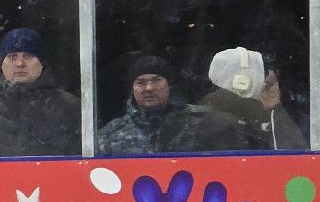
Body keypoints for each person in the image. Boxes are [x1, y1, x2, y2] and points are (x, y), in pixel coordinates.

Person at [0, 28, 80, 157]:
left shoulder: (69, 106)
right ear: (1, 64)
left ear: (42, 62)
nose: (20, 63)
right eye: (12, 57)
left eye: (28, 56)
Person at [95, 55, 239, 156]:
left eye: (156, 80)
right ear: (133, 89)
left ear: (169, 85)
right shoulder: (110, 135)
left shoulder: (204, 123)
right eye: (140, 82)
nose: (149, 88)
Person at [196, 47, 272, 150]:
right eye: (267, 84)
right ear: (243, 83)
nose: (263, 86)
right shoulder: (225, 123)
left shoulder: (210, 108)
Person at [261, 61, 307, 150]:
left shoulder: (302, 122)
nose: (267, 90)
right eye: (262, 85)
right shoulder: (243, 121)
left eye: (270, 85)